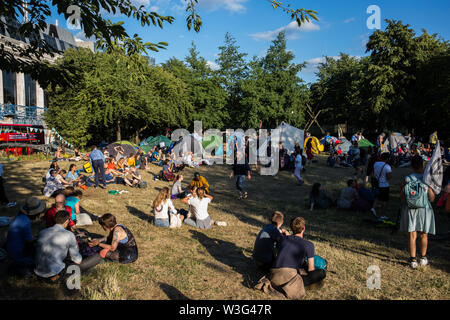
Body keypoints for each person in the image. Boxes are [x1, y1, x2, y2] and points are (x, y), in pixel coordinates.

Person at [258, 217, 326, 299]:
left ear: (291, 228)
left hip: (273, 276)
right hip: (288, 279)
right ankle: (295, 286)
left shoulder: (283, 239)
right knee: (322, 273)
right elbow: (311, 269)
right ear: (303, 228)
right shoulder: (309, 245)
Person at [399, 155, 436, 269]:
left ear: (411, 166)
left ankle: (413, 259)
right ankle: (423, 257)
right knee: (423, 235)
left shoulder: (407, 179)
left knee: (412, 235)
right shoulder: (427, 179)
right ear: (422, 165)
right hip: (424, 210)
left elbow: (402, 197)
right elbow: (432, 198)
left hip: (411, 210)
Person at [34, 210, 83, 281]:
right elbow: (77, 260)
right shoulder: (69, 234)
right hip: (54, 273)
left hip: (38, 271)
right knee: (84, 262)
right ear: (67, 221)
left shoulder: (42, 232)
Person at [5, 197, 46, 277]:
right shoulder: (25, 221)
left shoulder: (20, 216)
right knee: (39, 259)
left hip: (10, 246)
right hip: (17, 251)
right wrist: (40, 238)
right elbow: (29, 240)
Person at [371, 152, 392, 217]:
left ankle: (373, 208)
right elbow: (388, 177)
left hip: (377, 184)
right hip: (384, 185)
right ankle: (383, 215)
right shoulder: (387, 166)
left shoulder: (375, 164)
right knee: (384, 200)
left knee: (377, 197)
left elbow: (372, 173)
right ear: (387, 159)